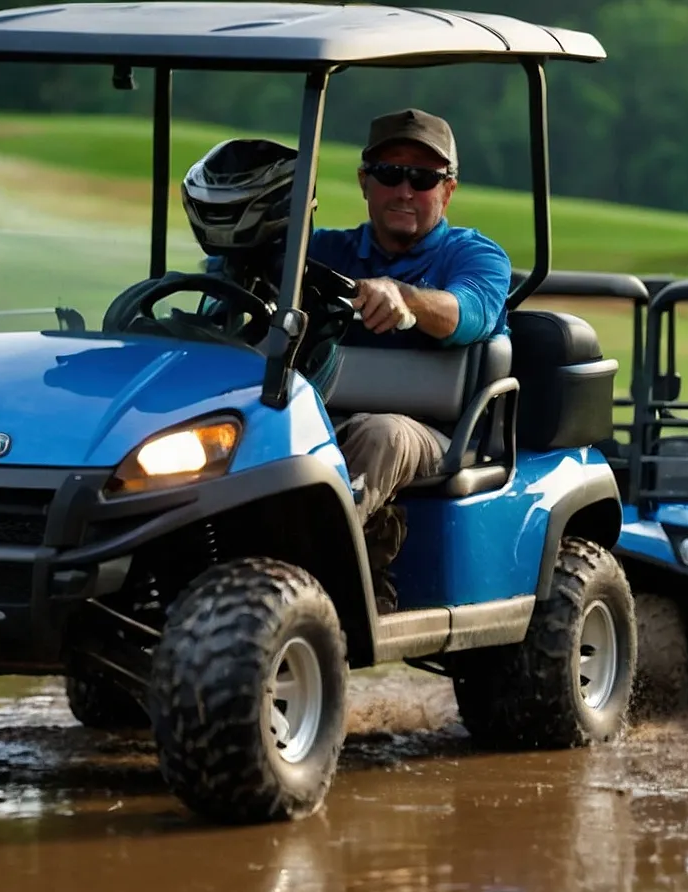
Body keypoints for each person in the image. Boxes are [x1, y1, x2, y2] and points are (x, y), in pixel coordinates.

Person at [179, 109, 513, 613]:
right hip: (319, 414)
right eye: (389, 173)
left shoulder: (474, 257)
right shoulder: (322, 251)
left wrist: (406, 300)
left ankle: (295, 579)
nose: (404, 190)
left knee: (382, 433)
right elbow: (235, 284)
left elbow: (465, 312)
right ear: (364, 181)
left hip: (431, 431)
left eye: (423, 179)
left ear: (448, 190)